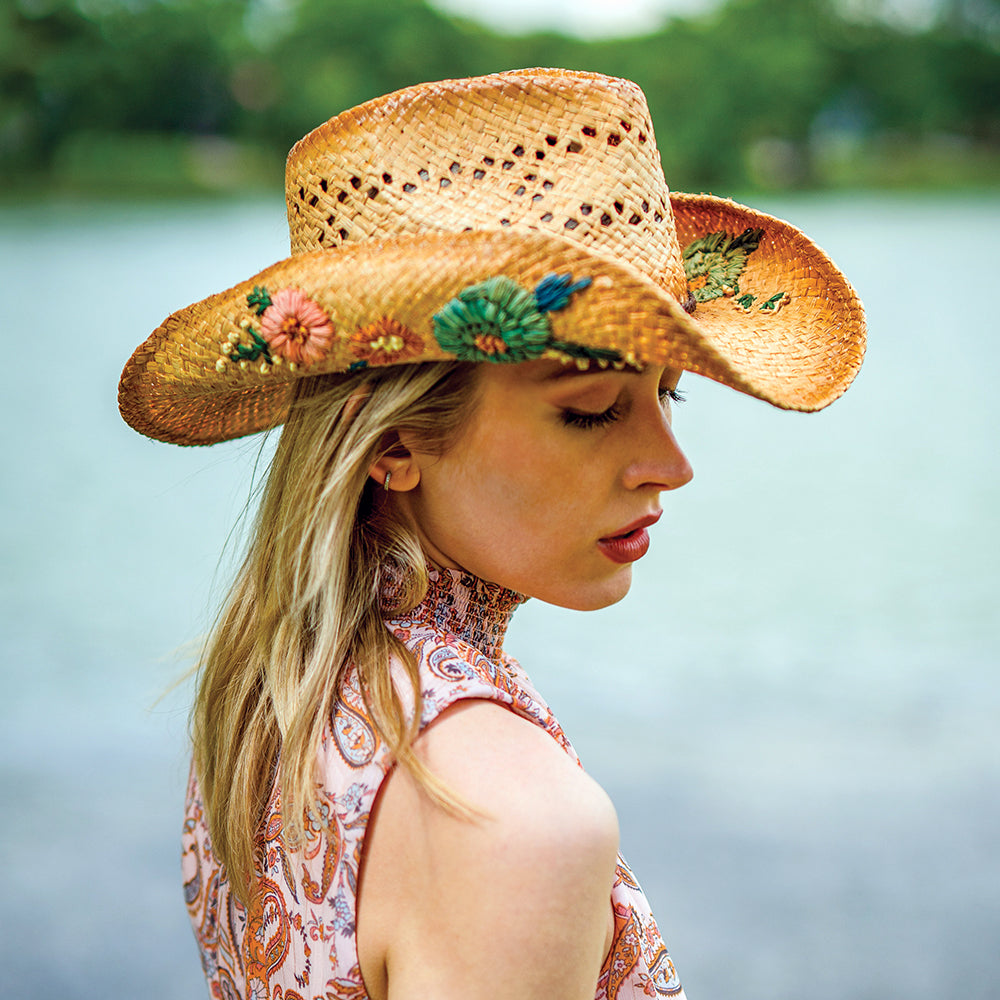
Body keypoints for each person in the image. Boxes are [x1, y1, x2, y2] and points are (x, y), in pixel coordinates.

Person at [119, 68, 865, 999]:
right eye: (592, 410)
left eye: (665, 395)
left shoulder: (270, 689)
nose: (670, 466)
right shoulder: (517, 823)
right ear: (391, 445)